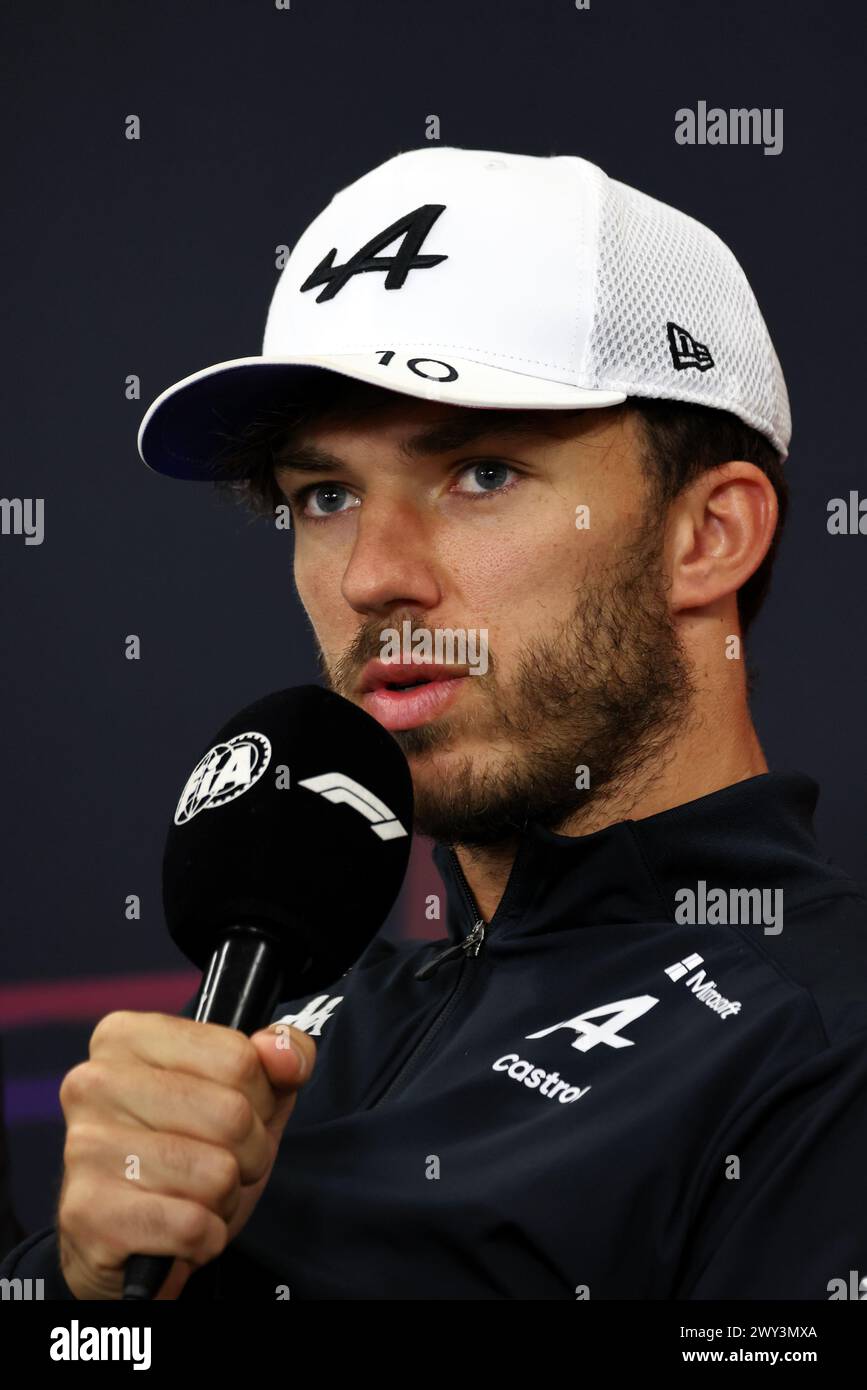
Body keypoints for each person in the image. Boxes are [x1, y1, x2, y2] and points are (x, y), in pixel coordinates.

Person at [3, 146, 866, 1300]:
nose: (370, 576)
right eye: (325, 496)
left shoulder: (822, 1040)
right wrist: (88, 1295)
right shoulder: (292, 1033)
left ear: (705, 537)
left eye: (482, 473)